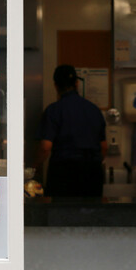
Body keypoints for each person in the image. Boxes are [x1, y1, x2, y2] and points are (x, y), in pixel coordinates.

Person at [34, 65, 107, 198]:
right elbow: (103, 147)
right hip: (92, 172)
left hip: (63, 172)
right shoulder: (94, 110)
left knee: (63, 210)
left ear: (56, 86)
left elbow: (45, 147)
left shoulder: (53, 111)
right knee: (92, 210)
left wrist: (35, 167)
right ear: (77, 83)